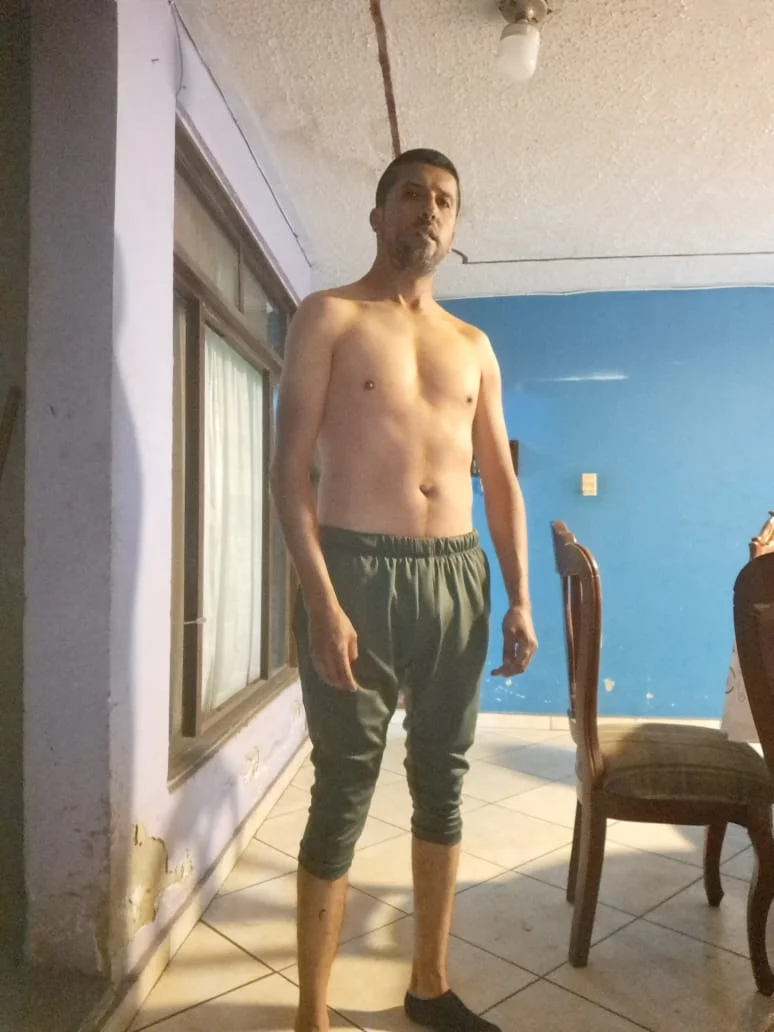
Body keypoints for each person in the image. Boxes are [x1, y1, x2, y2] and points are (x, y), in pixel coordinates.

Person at [271, 148, 537, 1032]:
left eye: (445, 200)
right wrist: (321, 600)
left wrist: (520, 595)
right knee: (343, 786)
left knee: (443, 780)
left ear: (453, 227)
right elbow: (289, 473)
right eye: (412, 194)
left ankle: (428, 986)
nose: (429, 208)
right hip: (356, 573)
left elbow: (501, 479)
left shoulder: (473, 346)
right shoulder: (329, 316)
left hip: (457, 575)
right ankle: (312, 1015)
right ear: (379, 214)